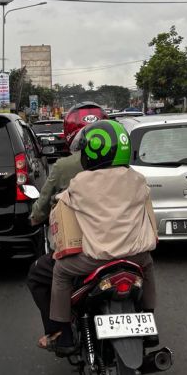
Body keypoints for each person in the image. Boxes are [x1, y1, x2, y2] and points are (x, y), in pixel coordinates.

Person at [44, 120, 158, 351]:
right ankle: (149, 317)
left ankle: (62, 333)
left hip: (96, 258)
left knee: (60, 272)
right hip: (136, 257)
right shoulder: (137, 179)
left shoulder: (81, 183)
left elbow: (61, 203)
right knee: (149, 267)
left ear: (90, 153)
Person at [27, 102, 108, 346]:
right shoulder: (123, 168)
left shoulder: (65, 168)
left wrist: (34, 217)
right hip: (126, 246)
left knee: (41, 275)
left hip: (81, 249)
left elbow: (41, 207)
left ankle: (60, 333)